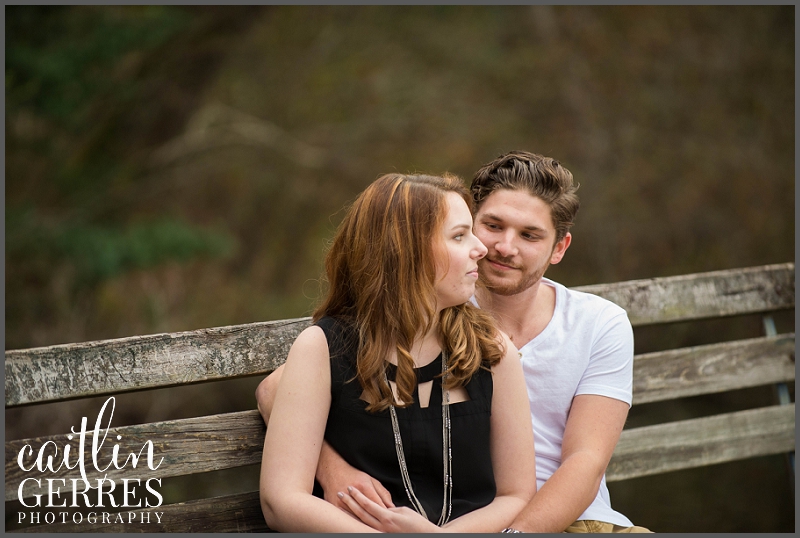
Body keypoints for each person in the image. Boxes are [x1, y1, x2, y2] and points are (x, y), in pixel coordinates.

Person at [258, 152, 651, 533]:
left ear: (559, 248)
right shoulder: (433, 304)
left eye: (529, 235)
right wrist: (332, 470)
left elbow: (582, 462)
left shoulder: (575, 327)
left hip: (555, 520)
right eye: (489, 227)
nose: (499, 248)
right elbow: (280, 390)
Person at [258, 172, 536, 532]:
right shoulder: (323, 348)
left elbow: (516, 495)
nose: (480, 248)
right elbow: (281, 500)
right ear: (405, 251)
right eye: (458, 236)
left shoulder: (492, 351)